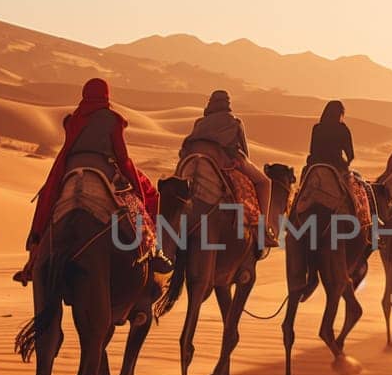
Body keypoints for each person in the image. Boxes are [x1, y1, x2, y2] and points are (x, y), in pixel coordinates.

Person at [22, 77, 167, 282]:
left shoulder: (73, 119)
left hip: (70, 166)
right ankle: (153, 250)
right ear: (106, 95)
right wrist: (137, 188)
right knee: (137, 203)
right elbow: (121, 156)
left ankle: (34, 255)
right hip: (104, 168)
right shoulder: (113, 119)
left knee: (47, 198)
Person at [182, 89, 271, 223]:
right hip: (223, 160)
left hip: (192, 159)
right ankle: (262, 228)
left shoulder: (199, 123)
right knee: (264, 182)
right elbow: (244, 149)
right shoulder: (234, 122)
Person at [307, 100, 354, 171]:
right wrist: (347, 163)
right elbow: (350, 155)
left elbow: (312, 150)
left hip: (315, 163)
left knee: (305, 176)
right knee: (348, 179)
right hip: (336, 164)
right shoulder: (343, 129)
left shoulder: (317, 128)